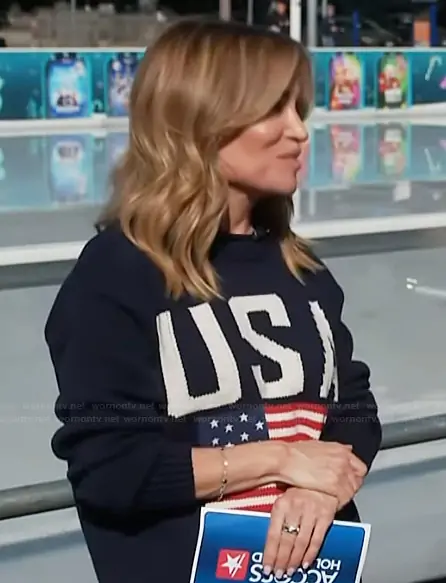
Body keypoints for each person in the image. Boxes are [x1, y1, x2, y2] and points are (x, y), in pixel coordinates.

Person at [45, 20, 381, 583]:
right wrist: (279, 457)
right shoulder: (118, 275)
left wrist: (322, 490)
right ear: (200, 121)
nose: (299, 132)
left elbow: (353, 410)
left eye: (299, 110)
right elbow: (111, 470)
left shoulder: (304, 273)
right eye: (273, 110)